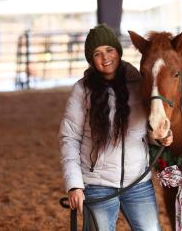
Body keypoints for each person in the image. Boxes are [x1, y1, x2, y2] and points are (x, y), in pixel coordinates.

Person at [59, 24, 172, 231]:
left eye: (109, 50)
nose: (105, 58)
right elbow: (69, 139)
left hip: (138, 183)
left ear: (118, 51)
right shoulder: (81, 90)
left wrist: (160, 138)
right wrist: (75, 185)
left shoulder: (139, 83)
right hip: (97, 185)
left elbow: (145, 131)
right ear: (91, 59)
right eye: (97, 53)